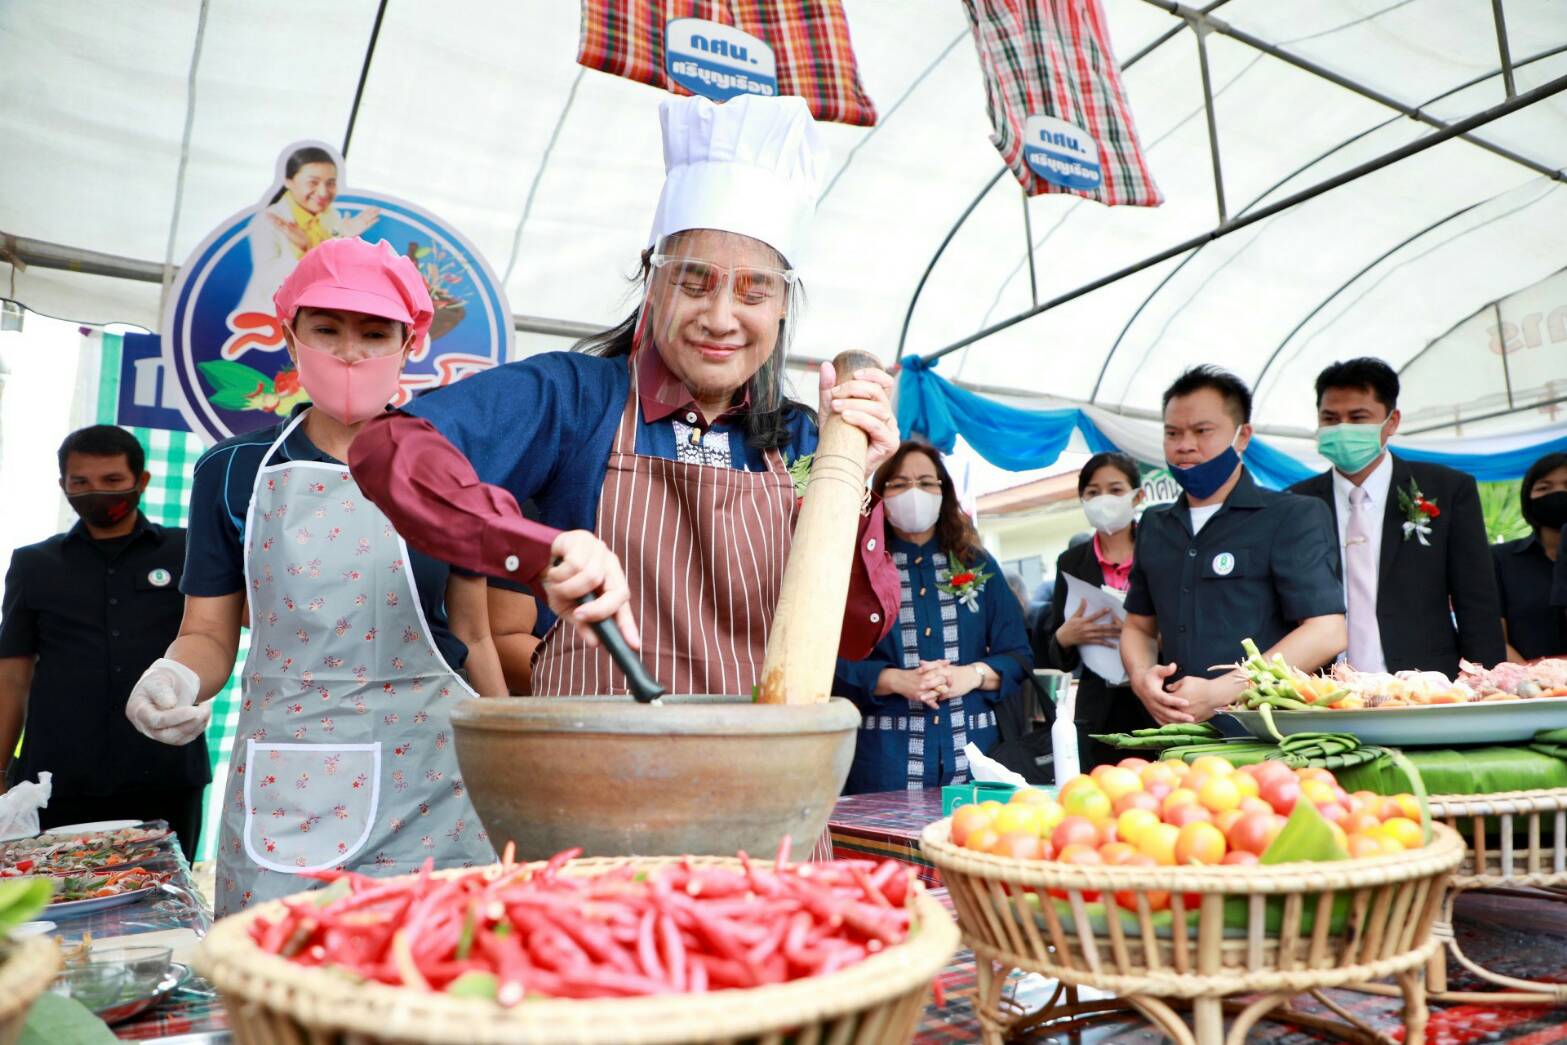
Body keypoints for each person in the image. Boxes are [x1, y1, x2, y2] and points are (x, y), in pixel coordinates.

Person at [348, 94, 900, 696]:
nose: (721, 319)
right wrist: (536, 550)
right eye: (694, 282)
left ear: (784, 304)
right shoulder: (574, 399)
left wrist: (853, 480)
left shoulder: (804, 440)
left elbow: (851, 637)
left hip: (756, 752)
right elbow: (390, 447)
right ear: (653, 281)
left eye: (753, 292)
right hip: (591, 750)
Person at [125, 238, 501, 916]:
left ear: (408, 344)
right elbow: (208, 632)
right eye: (327, 329)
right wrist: (175, 676)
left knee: (432, 966)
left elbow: (473, 636)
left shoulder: (451, 469)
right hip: (292, 790)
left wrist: (512, 765)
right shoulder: (234, 471)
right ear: (290, 337)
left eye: (374, 333)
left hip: (437, 781)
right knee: (281, 969)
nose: (350, 352)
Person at [0, 427, 209, 860]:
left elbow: (220, 634)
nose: (96, 491)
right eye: (81, 482)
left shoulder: (187, 550)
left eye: (112, 480)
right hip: (57, 778)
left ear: (141, 481)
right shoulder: (34, 564)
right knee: (56, 894)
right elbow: (11, 678)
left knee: (168, 895)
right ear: (63, 485)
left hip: (165, 771)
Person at [1122, 366, 1347, 724]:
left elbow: (1326, 631)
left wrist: (1221, 691)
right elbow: (1138, 626)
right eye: (1172, 433)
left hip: (1269, 733)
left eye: (1202, 431)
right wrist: (1140, 677)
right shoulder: (1154, 524)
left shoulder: (1291, 515)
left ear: (1243, 436)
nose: (1185, 445)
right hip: (1180, 734)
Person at [833, 442, 1032, 793]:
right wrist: (894, 680)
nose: (914, 493)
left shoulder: (977, 563)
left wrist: (970, 675)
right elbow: (828, 663)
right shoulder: (858, 569)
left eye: (926, 482)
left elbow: (1018, 657)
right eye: (899, 483)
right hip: (883, 763)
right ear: (880, 495)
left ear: (944, 492)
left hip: (974, 757)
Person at [1290, 358, 1504, 677]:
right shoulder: (1295, 503)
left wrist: (1485, 681)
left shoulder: (1445, 489)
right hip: (1320, 685)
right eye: (1330, 418)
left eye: (1358, 418)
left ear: (1391, 421)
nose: (1342, 429)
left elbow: (1476, 600)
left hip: (1426, 681)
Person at [1037, 452, 1155, 770]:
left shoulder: (1159, 550)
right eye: (1093, 492)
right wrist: (1065, 637)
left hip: (1155, 701)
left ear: (1137, 496)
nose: (1104, 500)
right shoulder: (1071, 562)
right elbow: (1058, 656)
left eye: (1115, 490)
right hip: (1098, 709)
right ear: (1083, 500)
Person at [1494, 452, 1567, 660]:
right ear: (1527, 498)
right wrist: (1532, 677)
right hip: (1525, 678)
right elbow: (1494, 637)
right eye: (1544, 488)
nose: (1559, 493)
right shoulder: (1500, 559)